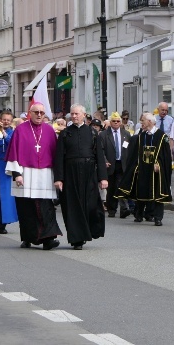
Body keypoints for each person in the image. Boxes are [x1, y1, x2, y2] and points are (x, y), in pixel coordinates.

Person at [5, 102, 62, 250]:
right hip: (25, 173)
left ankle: (49, 239)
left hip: (44, 174)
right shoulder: (20, 129)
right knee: (26, 208)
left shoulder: (49, 131)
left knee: (46, 207)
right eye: (36, 112)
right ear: (30, 113)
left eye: (41, 113)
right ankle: (27, 238)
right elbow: (13, 153)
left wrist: (58, 177)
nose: (39, 115)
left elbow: (56, 156)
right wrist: (17, 174)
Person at [54, 104, 108, 250]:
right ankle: (77, 239)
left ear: (84, 115)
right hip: (70, 173)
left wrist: (103, 178)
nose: (74, 116)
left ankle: (89, 231)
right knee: (72, 207)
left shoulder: (92, 133)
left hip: (88, 173)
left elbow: (100, 157)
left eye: (77, 114)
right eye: (72, 114)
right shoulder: (65, 134)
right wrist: (59, 178)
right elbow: (59, 157)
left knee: (91, 205)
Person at [118, 113, 172, 226]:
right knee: (141, 191)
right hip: (143, 168)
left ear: (150, 122)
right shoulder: (141, 136)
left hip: (155, 170)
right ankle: (139, 214)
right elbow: (136, 153)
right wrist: (136, 166)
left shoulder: (162, 136)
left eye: (143, 121)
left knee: (157, 194)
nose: (141, 123)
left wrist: (159, 164)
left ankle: (157, 217)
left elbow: (166, 155)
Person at [100, 112, 132, 218]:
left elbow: (129, 149)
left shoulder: (126, 134)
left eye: (118, 121)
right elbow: (101, 150)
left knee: (121, 186)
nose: (116, 123)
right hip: (110, 164)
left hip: (122, 164)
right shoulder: (104, 134)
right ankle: (111, 209)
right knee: (111, 188)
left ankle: (124, 208)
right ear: (110, 122)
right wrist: (104, 160)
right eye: (114, 121)